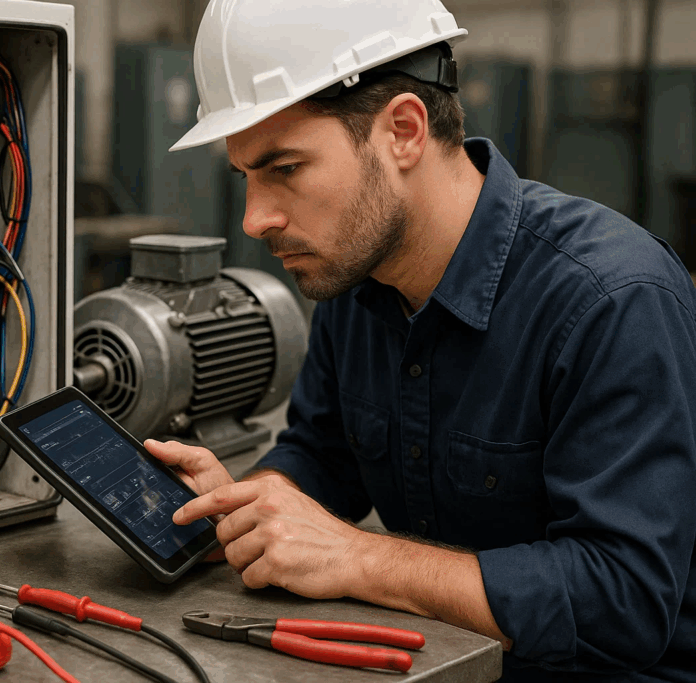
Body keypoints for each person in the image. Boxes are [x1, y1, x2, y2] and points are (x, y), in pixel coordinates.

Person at [144, 1, 696, 681]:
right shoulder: (355, 277)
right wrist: (234, 511)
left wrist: (358, 557)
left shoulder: (611, 299)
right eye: (247, 177)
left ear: (404, 131)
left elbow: (623, 600)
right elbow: (324, 456)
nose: (256, 218)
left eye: (284, 168)